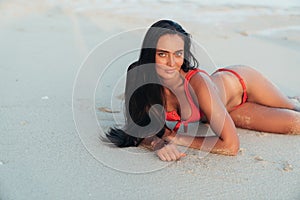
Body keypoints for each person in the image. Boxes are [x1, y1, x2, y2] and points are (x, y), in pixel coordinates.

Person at [105, 19, 300, 161]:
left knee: (292, 107)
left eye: (178, 54)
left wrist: (176, 138)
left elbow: (231, 146)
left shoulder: (197, 84)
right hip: (229, 110)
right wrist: (157, 144)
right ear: (149, 53)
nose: (171, 63)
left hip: (244, 83)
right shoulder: (138, 77)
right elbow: (136, 128)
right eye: (162, 54)